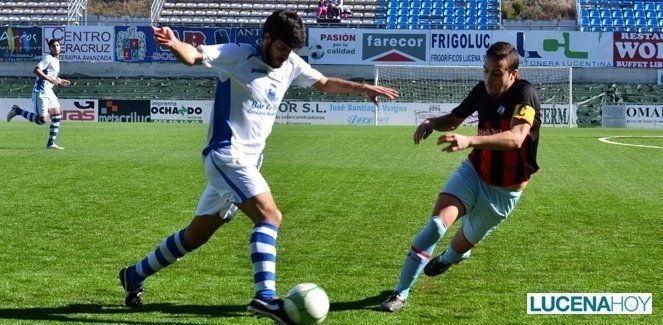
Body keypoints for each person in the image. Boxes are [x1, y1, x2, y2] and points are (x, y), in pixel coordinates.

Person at [118, 10, 397, 324]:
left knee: (195, 236)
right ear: (266, 38)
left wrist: (362, 89)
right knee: (270, 215)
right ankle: (265, 298)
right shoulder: (237, 54)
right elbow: (194, 56)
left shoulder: (290, 64)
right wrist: (173, 44)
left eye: (291, 50)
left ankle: (133, 274)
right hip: (226, 155)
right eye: (281, 48)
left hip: (245, 164)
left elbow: (323, 82)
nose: (285, 55)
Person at [381, 41, 541, 312]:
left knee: (458, 249)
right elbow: (454, 119)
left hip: (504, 192)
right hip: (474, 172)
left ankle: (451, 257)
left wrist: (470, 140)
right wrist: (433, 122)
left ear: (513, 73)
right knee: (434, 226)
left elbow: (516, 139)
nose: (489, 78)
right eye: (485, 70)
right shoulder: (482, 90)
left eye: (496, 73)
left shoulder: (525, 94)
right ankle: (400, 293)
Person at [6, 38, 70, 149]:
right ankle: (18, 110)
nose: (56, 47)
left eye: (57, 45)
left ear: (60, 47)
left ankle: (50, 143)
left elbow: (51, 75)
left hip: (49, 91)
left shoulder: (56, 60)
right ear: (50, 48)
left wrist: (60, 81)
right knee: (42, 120)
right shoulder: (48, 58)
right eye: (53, 46)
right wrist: (49, 79)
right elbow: (36, 70)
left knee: (57, 113)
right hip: (41, 91)